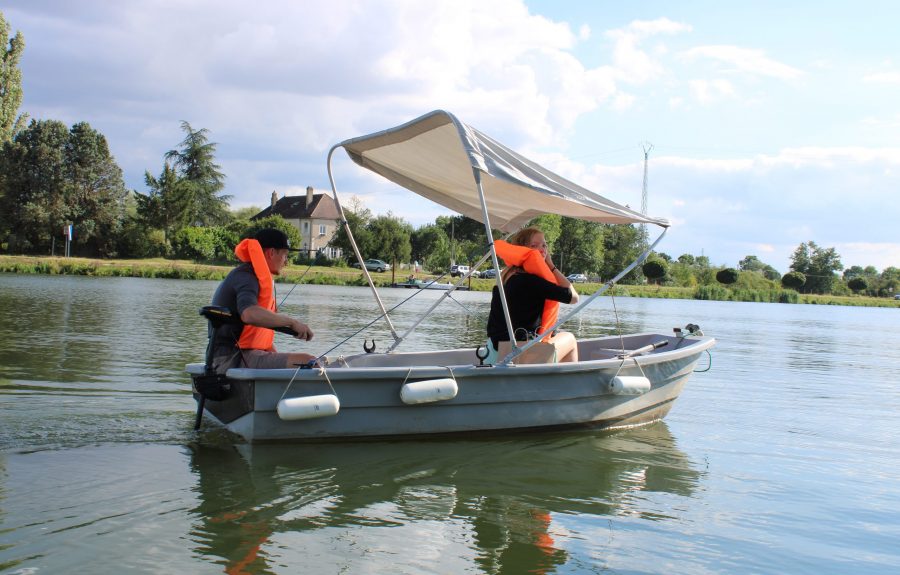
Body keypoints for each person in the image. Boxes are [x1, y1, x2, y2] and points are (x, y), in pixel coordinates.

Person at [208, 228, 316, 373]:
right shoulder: (247, 277)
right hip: (230, 359)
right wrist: (293, 323)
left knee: (304, 362)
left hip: (242, 356)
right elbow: (249, 314)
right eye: (285, 255)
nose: (286, 262)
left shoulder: (251, 274)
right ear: (271, 253)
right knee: (309, 362)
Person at [485, 227, 580, 363]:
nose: (542, 250)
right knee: (569, 338)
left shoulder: (506, 276)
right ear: (522, 249)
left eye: (544, 245)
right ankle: (566, 384)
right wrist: (551, 266)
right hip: (516, 353)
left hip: (495, 350)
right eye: (534, 246)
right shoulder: (531, 280)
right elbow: (574, 297)